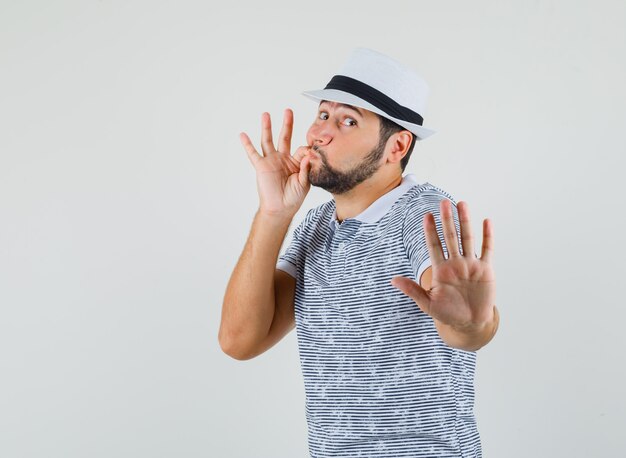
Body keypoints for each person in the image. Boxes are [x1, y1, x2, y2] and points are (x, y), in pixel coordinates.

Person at [219, 47, 499, 457]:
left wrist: (473, 324)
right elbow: (239, 341)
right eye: (323, 114)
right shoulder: (316, 225)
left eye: (349, 120)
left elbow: (465, 326)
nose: (320, 133)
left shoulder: (423, 214)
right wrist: (274, 213)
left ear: (397, 146)